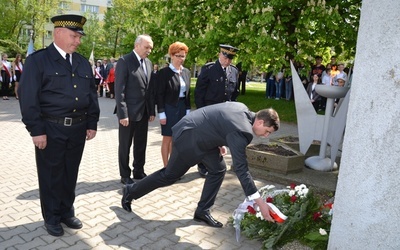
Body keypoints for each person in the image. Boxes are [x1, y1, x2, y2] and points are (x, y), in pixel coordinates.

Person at [121, 102, 280, 227]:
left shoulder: (242, 108)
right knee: (170, 176)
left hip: (203, 138)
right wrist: (260, 202)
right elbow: (241, 169)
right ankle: (130, 191)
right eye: (267, 131)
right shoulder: (243, 131)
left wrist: (220, 141)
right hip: (188, 138)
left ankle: (202, 211)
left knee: (218, 169)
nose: (266, 136)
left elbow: (220, 122)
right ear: (259, 122)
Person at [17, 14, 100, 237]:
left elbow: (91, 95)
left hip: (78, 128)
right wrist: (37, 130)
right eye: (74, 36)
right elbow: (28, 98)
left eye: (79, 37)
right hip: (50, 129)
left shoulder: (83, 63)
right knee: (51, 174)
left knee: (70, 173)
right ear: (59, 33)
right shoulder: (38, 61)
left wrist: (92, 122)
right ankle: (52, 216)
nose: (78, 41)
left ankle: (66, 212)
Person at [115, 34, 155, 185]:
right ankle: (125, 174)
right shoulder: (125, 61)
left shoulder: (149, 63)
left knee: (141, 144)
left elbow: (150, 89)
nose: (149, 51)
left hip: (143, 112)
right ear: (137, 45)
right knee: (125, 144)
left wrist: (151, 111)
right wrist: (123, 114)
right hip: (128, 114)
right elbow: (120, 90)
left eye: (150, 48)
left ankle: (138, 170)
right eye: (146, 47)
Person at [194, 44, 239, 177]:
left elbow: (234, 93)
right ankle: (202, 165)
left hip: (225, 113)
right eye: (225, 57)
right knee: (206, 139)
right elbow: (199, 92)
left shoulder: (234, 71)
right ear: (220, 54)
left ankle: (216, 164)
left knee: (220, 139)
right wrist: (201, 112)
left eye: (230, 59)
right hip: (209, 111)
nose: (228, 61)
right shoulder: (209, 69)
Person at [156, 42, 191, 167]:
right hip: (169, 108)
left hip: (182, 107)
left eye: (183, 56)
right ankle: (166, 168)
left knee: (178, 139)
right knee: (168, 138)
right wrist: (161, 113)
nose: (181, 59)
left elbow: (187, 93)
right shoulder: (164, 73)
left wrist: (188, 109)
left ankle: (174, 166)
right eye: (178, 56)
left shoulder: (186, 72)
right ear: (171, 55)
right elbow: (159, 94)